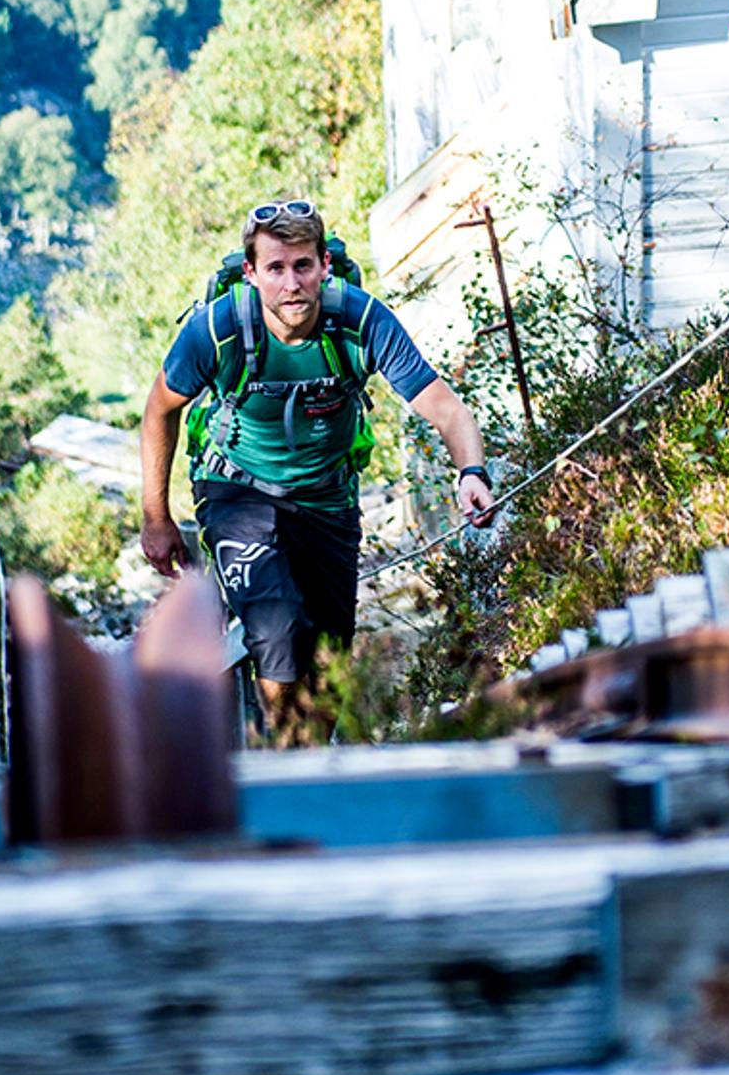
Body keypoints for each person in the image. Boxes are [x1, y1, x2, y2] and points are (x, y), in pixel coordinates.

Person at [139, 200, 491, 741]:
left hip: (328, 501)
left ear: (324, 264)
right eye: (275, 269)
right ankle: (285, 754)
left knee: (329, 662)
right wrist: (156, 518)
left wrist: (473, 472)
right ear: (252, 273)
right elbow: (161, 408)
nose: (291, 283)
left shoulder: (358, 320)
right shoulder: (218, 328)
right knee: (277, 632)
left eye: (302, 266)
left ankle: (307, 754)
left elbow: (443, 406)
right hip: (237, 492)